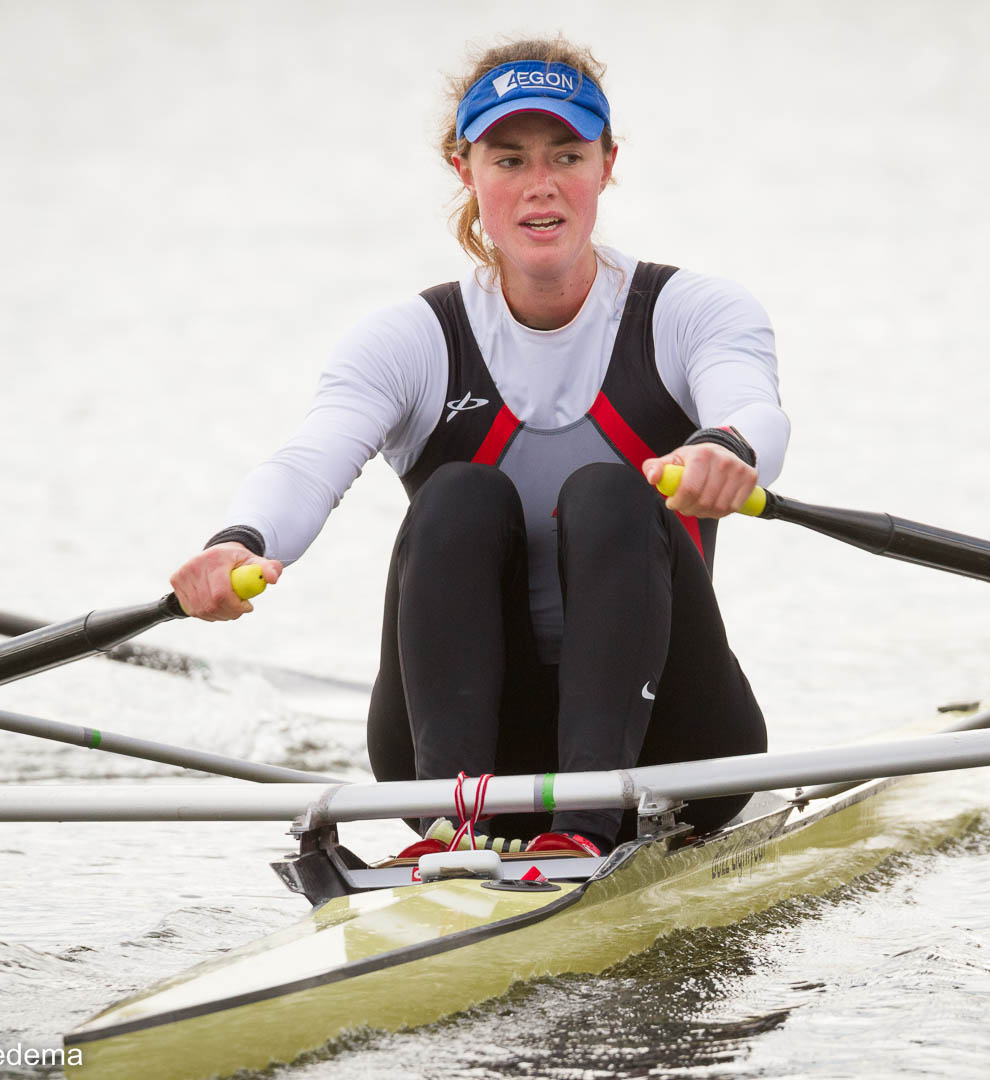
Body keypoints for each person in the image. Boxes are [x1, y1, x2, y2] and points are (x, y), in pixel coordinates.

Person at [169, 37, 787, 859]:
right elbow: (306, 464)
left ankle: (585, 827)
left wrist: (723, 447)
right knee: (458, 495)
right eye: (509, 158)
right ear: (464, 168)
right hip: (463, 756)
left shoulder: (691, 312)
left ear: (607, 165)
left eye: (567, 154)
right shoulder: (410, 340)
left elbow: (752, 408)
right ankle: (452, 827)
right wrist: (236, 541)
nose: (541, 184)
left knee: (610, 491)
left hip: (673, 748)